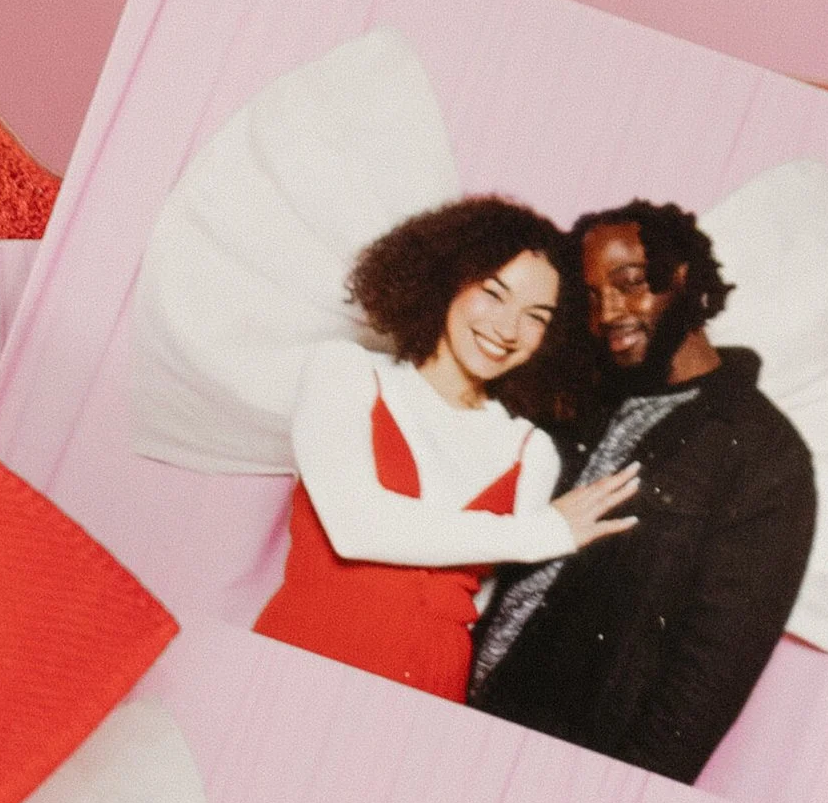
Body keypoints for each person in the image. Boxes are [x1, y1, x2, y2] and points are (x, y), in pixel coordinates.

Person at [468, 200, 819, 780]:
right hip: (456, 701)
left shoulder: (764, 453)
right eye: (591, 296)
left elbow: (710, 675)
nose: (608, 312)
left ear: (681, 279)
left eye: (630, 284)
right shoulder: (576, 400)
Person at [252, 196, 637, 698]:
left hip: (432, 689)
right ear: (447, 279)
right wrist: (541, 533)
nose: (507, 329)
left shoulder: (531, 450)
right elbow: (355, 526)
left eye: (536, 316)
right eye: (493, 293)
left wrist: (538, 533)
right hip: (304, 657)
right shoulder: (344, 371)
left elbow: (473, 607)